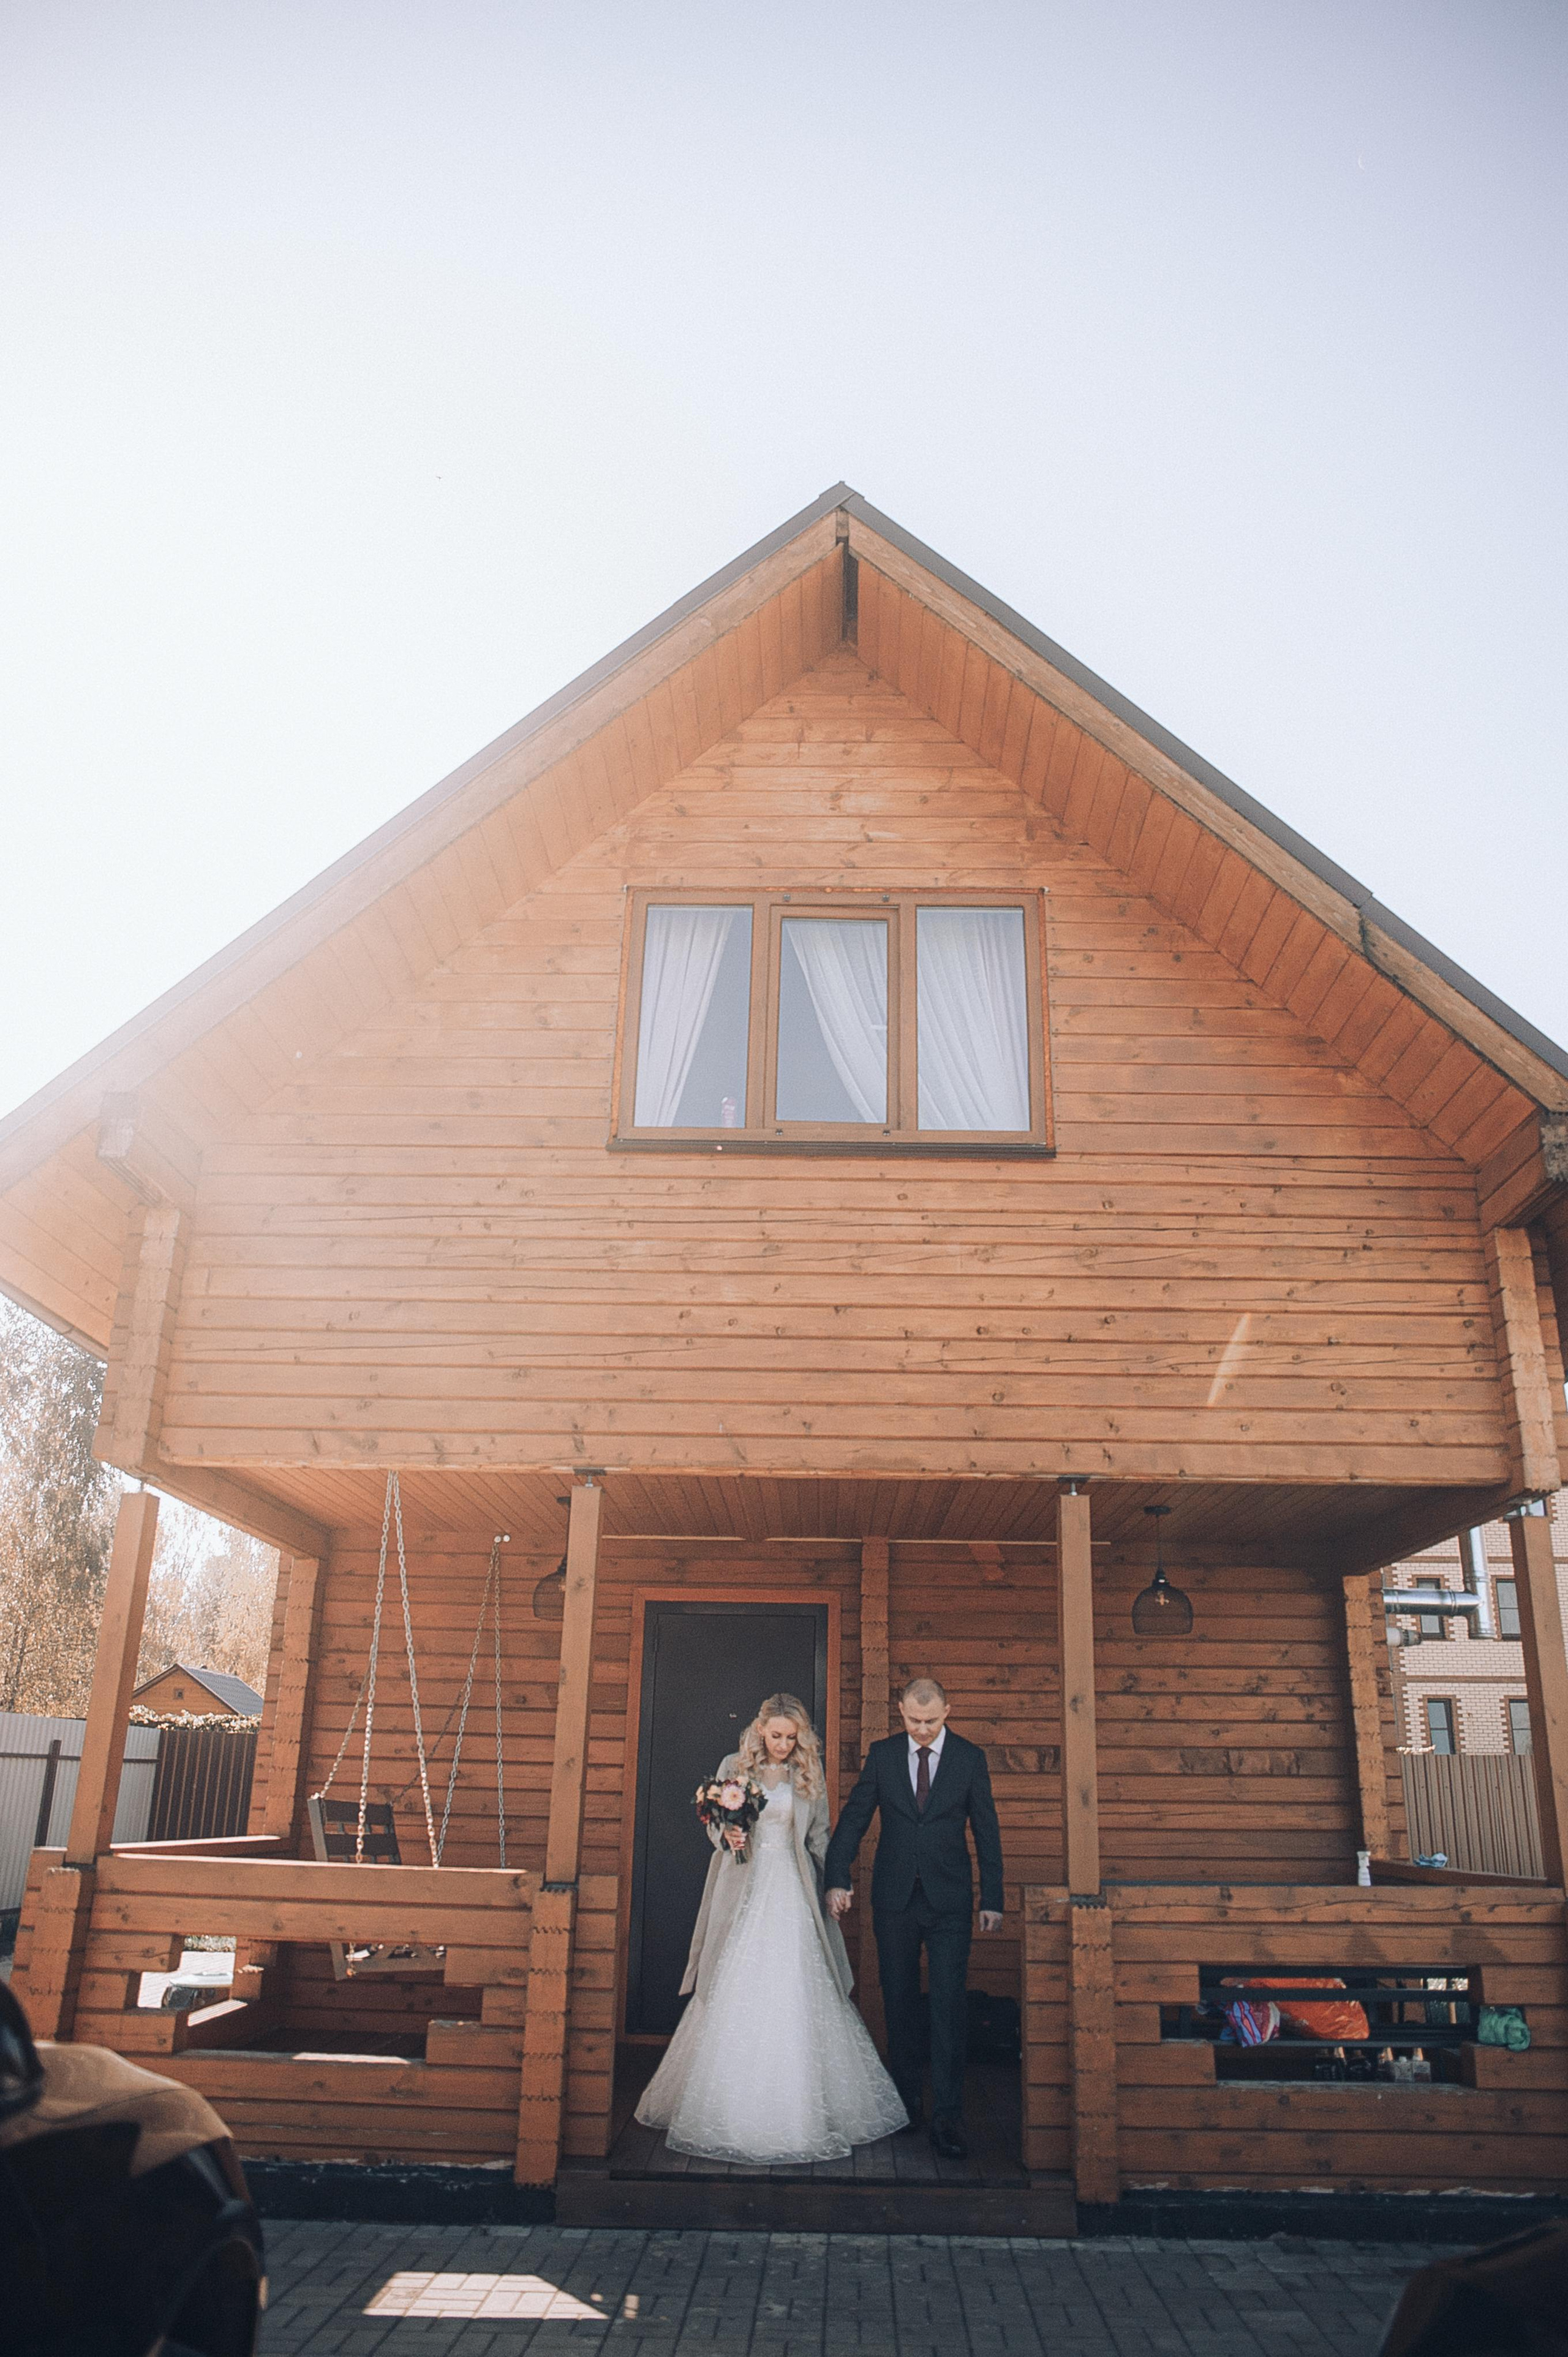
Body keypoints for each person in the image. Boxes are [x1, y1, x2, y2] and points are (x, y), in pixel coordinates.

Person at [635, 1692, 907, 2163]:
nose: (783, 1744)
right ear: (761, 1729)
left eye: (791, 1737)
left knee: (796, 1985)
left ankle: (799, 2108)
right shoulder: (733, 1765)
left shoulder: (808, 1773)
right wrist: (728, 1835)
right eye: (776, 1735)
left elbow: (819, 1834)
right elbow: (716, 1825)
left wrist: (832, 1885)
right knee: (734, 1981)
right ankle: (730, 2106)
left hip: (792, 1887)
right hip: (743, 1880)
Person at [823, 1675, 1004, 2160]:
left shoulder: (969, 1758)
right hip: (894, 1898)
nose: (921, 1729)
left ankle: (948, 2117)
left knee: (948, 2006)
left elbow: (987, 1829)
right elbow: (855, 1817)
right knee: (899, 2000)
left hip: (949, 1901)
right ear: (900, 1711)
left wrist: (993, 1897)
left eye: (930, 1720)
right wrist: (836, 1876)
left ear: (948, 1710)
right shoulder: (883, 1756)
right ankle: (906, 2103)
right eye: (912, 1720)